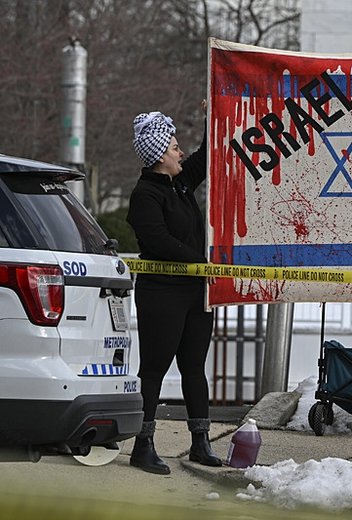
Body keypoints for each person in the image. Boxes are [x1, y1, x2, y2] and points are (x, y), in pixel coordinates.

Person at [126, 104, 221, 474]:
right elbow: (160, 241)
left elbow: (208, 154)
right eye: (173, 148)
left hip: (194, 293)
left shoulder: (179, 183)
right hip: (162, 295)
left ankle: (201, 441)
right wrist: (200, 262)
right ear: (157, 156)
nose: (180, 152)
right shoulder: (145, 195)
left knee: (194, 367)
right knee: (154, 370)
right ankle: (143, 444)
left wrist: (213, 112)